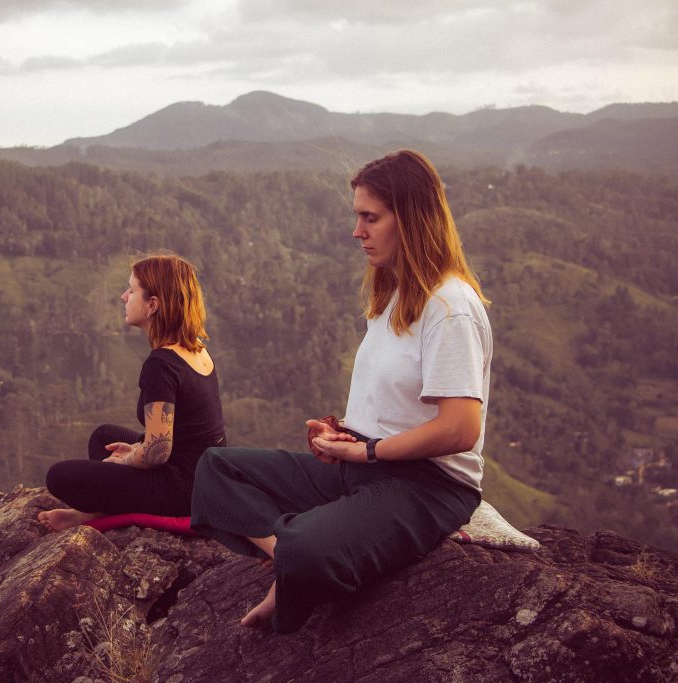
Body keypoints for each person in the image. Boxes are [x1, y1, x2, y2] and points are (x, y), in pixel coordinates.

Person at [191, 150, 492, 633]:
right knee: (215, 468)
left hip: (426, 486)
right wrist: (344, 436)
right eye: (358, 217)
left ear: (411, 219)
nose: (358, 231)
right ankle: (287, 562)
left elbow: (460, 428)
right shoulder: (394, 296)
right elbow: (395, 405)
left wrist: (368, 452)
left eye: (370, 218)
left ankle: (296, 560)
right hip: (367, 467)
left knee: (310, 548)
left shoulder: (449, 306)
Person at [39, 253, 226, 532]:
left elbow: (157, 453)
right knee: (104, 437)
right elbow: (179, 438)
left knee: (59, 477)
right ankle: (101, 508)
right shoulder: (194, 347)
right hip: (206, 474)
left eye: (131, 290)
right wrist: (137, 449)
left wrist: (128, 460)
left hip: (185, 491)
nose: (124, 297)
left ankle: (93, 515)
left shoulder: (161, 364)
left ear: (153, 305)